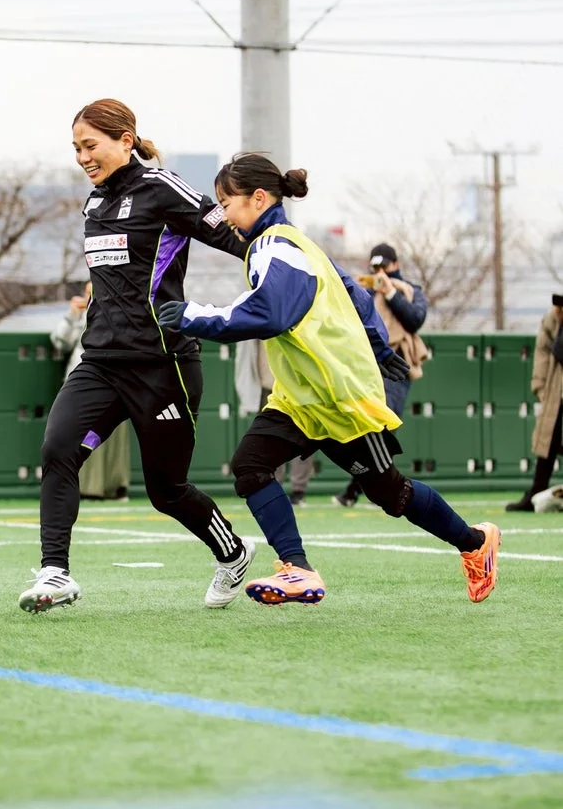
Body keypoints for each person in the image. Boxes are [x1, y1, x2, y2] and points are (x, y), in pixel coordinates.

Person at [158, 153, 501, 607]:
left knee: (392, 493)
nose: (222, 215)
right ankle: (297, 569)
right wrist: (380, 346)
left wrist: (191, 314)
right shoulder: (289, 244)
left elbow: (270, 314)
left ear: (258, 199)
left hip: (338, 396)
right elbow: (356, 295)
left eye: (227, 203)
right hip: (301, 397)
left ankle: (476, 543)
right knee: (250, 465)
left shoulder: (276, 246)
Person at [19, 99, 254, 613]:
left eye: (91, 145)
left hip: (163, 364)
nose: (83, 157)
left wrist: (280, 264)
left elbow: (232, 234)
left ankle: (233, 553)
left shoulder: (162, 187)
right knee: (59, 451)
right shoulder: (93, 205)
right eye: (76, 148)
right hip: (101, 362)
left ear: (126, 139)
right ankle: (55, 573)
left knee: (166, 490)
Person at [334, 242, 428, 507]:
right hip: (368, 364)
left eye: (384, 266)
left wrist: (390, 294)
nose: (380, 271)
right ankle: (371, 486)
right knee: (367, 426)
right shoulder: (366, 293)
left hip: (396, 364)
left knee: (384, 426)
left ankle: (366, 488)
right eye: (375, 267)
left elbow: (415, 319)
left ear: (395, 265)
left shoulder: (409, 290)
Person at [51, 282, 131, 500]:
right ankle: (88, 489)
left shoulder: (120, 312)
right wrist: (73, 315)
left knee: (112, 439)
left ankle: (115, 487)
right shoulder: (82, 317)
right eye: (88, 292)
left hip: (117, 385)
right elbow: (59, 341)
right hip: (84, 384)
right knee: (82, 436)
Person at [234, 340, 315, 505]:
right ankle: (273, 486)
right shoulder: (253, 330)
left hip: (294, 388)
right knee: (268, 443)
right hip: (267, 390)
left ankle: (298, 490)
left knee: (302, 439)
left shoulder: (289, 321)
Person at [506, 296, 563, 512]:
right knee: (547, 439)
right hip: (556, 388)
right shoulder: (552, 318)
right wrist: (540, 386)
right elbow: (543, 350)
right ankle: (537, 492)